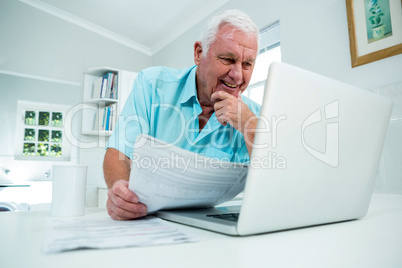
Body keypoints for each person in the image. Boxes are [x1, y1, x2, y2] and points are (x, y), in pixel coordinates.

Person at [103, 9, 261, 220]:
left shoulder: (255, 116)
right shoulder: (152, 85)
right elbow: (119, 152)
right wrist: (123, 197)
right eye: (227, 59)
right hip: (148, 220)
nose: (238, 75)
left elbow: (274, 183)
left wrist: (248, 124)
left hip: (213, 228)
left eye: (247, 64)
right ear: (198, 53)